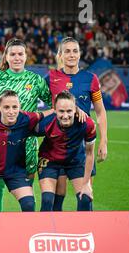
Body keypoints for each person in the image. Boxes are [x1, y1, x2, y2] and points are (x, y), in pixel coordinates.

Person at [0, 38, 52, 212]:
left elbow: (54, 105)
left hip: (26, 146)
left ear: (26, 56)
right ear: (6, 57)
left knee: (26, 194)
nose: (17, 57)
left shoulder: (35, 80)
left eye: (20, 54)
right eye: (13, 54)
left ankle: (25, 232)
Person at [46, 37, 108, 211]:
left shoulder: (91, 78)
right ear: (60, 55)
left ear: (80, 54)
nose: (71, 54)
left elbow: (100, 111)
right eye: (67, 51)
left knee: (85, 196)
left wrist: (103, 140)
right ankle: (56, 236)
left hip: (82, 146)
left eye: (75, 51)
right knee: (57, 199)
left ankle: (87, 235)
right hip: (57, 145)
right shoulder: (51, 77)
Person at [0, 90, 54, 212]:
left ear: (20, 107)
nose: (11, 111)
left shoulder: (27, 119)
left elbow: (46, 114)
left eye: (15, 107)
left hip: (16, 172)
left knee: (29, 204)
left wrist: (73, 109)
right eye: (6, 107)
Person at [35, 91, 96, 211]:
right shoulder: (45, 123)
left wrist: (86, 184)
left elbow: (89, 154)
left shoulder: (87, 124)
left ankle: (86, 228)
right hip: (50, 160)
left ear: (75, 110)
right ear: (55, 110)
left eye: (69, 111)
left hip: (76, 160)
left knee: (85, 197)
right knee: (47, 200)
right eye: (61, 111)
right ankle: (43, 228)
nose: (65, 115)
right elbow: (23, 132)